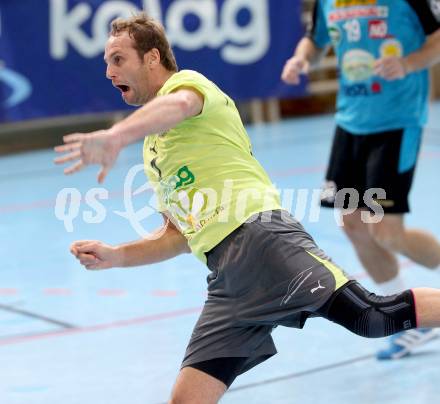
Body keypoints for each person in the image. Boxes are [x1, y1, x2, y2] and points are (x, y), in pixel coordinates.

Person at [55, 13, 440, 403]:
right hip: (227, 281)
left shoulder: (188, 86)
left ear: (152, 58)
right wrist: (117, 255)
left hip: (263, 240)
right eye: (106, 62)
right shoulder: (153, 147)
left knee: (373, 317)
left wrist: (116, 135)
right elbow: (178, 235)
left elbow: (178, 105)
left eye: (118, 59)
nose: (108, 71)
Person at [281, 0, 440, 359]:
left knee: (385, 231)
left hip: (397, 122)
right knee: (353, 223)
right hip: (350, 123)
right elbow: (315, 39)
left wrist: (408, 63)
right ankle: (410, 325)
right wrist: (301, 58)